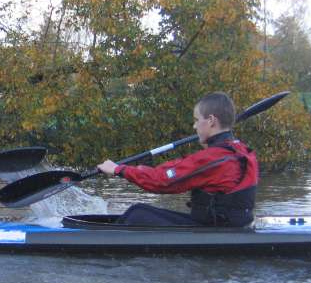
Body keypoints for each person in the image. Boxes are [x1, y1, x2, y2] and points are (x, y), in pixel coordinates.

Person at [97, 92, 258, 227]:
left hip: (214, 230)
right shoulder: (238, 150)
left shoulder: (214, 158)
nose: (194, 126)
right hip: (225, 225)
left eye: (196, 120)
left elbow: (161, 182)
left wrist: (119, 170)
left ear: (210, 121)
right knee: (136, 212)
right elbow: (176, 169)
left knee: (137, 214)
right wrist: (141, 170)